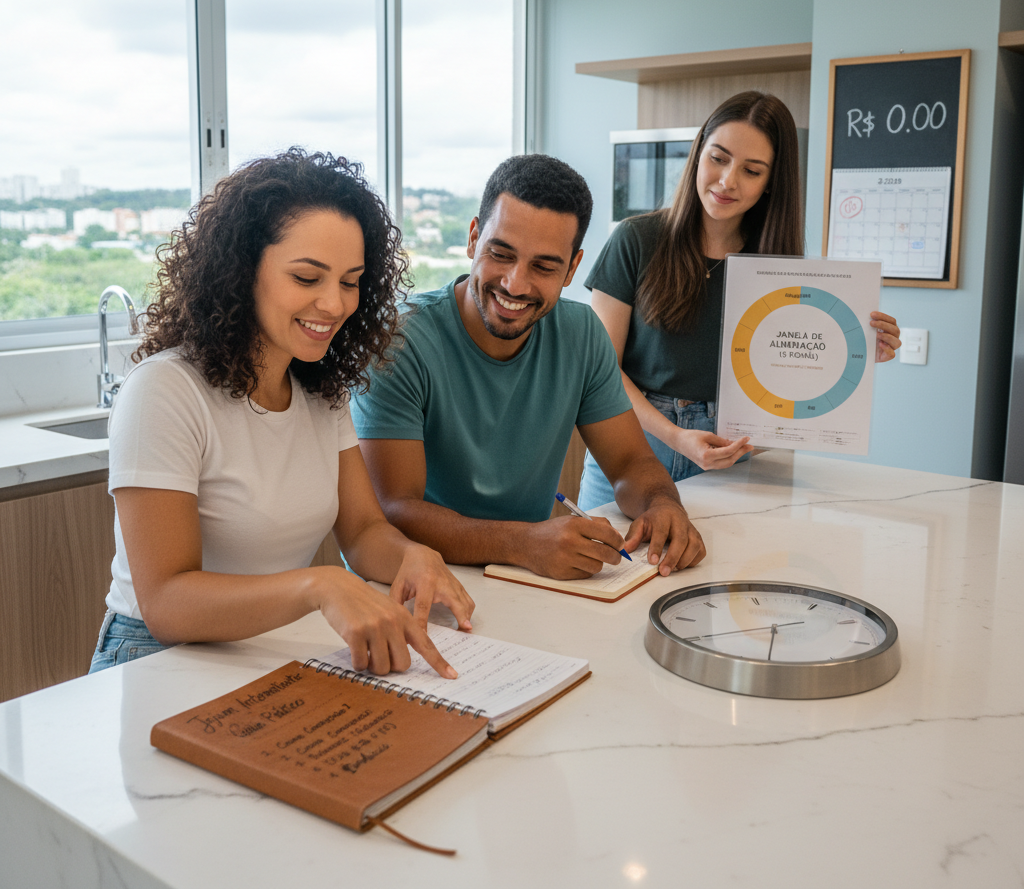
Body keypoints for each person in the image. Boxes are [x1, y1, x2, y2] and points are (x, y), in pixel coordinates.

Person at [89, 149, 473, 679]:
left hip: (267, 646)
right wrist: (319, 585)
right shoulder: (164, 390)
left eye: (350, 281)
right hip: (153, 657)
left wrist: (412, 555)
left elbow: (362, 532)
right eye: (308, 278)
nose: (335, 305)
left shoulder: (320, 390)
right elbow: (166, 603)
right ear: (242, 271)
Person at [351, 154, 706, 581]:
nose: (515, 284)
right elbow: (392, 511)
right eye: (501, 254)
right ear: (473, 239)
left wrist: (662, 503)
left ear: (572, 268)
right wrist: (522, 543)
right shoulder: (397, 341)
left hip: (526, 576)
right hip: (413, 581)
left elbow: (630, 463)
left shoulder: (581, 333)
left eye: (543, 266)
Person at [578, 90, 902, 510]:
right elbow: (602, 371)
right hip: (632, 449)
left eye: (751, 170)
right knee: (610, 553)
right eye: (718, 158)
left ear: (771, 183)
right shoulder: (635, 240)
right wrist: (676, 436)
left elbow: (789, 381)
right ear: (698, 154)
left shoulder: (778, 268)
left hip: (731, 456)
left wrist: (854, 349)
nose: (728, 180)